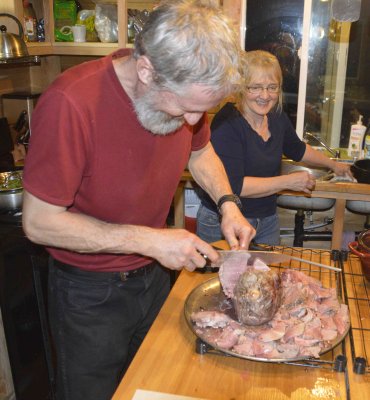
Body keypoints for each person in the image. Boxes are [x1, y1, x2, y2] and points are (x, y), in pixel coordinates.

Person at [21, 1, 255, 399]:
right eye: (187, 107)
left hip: (152, 280)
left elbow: (200, 152)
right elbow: (39, 222)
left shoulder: (184, 100)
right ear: (146, 70)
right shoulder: (71, 103)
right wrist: (151, 239)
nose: (193, 121)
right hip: (88, 295)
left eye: (203, 110)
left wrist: (228, 202)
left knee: (155, 386)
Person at [197, 50, 352, 246]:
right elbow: (235, 186)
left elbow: (297, 149)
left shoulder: (276, 116)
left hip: (267, 219)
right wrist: (287, 182)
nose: (265, 95)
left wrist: (334, 165)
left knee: (268, 276)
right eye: (256, 87)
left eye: (272, 87)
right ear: (241, 88)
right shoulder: (227, 124)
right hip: (224, 221)